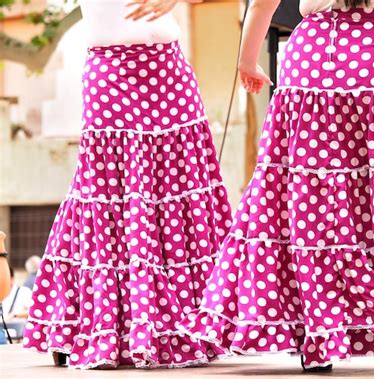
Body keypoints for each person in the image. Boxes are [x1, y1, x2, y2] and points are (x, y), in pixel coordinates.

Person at [181, 0, 374, 371]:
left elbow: (264, 5)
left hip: (316, 61)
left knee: (311, 202)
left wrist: (247, 61)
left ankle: (320, 334)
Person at [23, 0, 232, 369]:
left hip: (168, 66)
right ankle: (89, 325)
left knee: (180, 179)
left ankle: (190, 323)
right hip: (110, 67)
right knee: (106, 189)